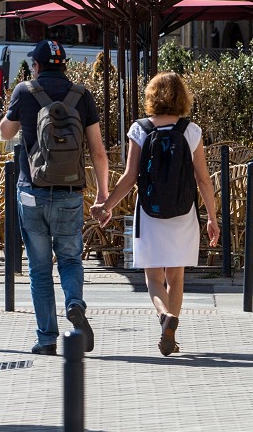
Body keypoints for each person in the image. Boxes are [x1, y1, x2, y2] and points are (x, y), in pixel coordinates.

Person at [92, 72, 219, 357]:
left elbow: (129, 177)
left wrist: (107, 206)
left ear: (151, 96)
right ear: (182, 97)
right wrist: (211, 217)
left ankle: (164, 318)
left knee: (152, 278)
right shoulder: (191, 131)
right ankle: (171, 335)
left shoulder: (140, 129)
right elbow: (204, 180)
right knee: (176, 277)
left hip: (149, 212)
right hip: (183, 212)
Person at [0, 40, 109, 356]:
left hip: (31, 192)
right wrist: (102, 194)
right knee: (71, 258)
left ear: (36, 65)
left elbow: (6, 133)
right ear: (64, 65)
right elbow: (98, 152)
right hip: (70, 194)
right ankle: (74, 303)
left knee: (39, 268)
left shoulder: (24, 91)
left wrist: (9, 109)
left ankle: (47, 339)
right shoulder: (82, 96)